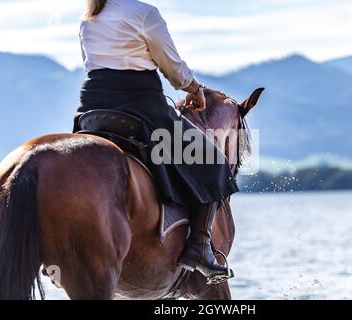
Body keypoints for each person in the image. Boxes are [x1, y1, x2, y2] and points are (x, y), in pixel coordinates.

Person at [74, 0, 238, 283]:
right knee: (213, 161)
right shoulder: (144, 13)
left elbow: (92, 64)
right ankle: (199, 247)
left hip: (92, 110)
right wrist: (194, 89)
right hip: (139, 105)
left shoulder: (89, 18)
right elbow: (170, 64)